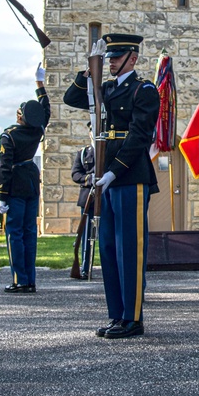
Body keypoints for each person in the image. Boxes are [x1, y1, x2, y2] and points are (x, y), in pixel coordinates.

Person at [64, 34, 159, 339]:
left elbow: (139, 136)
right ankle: (117, 315)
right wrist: (88, 68)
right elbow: (72, 98)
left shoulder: (143, 90)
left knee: (129, 249)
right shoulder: (104, 89)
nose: (112, 62)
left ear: (133, 58)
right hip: (106, 179)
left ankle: (133, 318)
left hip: (129, 176)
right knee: (108, 248)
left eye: (116, 57)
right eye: (108, 58)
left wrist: (114, 172)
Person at [0, 64, 51, 294]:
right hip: (31, 183)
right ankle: (31, 280)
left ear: (20, 116)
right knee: (29, 232)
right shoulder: (36, 131)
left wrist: (1, 196)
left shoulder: (9, 135)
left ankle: (20, 279)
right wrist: (40, 85)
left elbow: (5, 168)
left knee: (15, 234)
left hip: (16, 187)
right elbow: (45, 111)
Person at [70, 135, 96, 280]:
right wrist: (89, 178)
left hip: (105, 197)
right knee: (86, 236)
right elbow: (75, 173)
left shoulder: (107, 149)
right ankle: (85, 268)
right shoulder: (83, 153)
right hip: (88, 199)